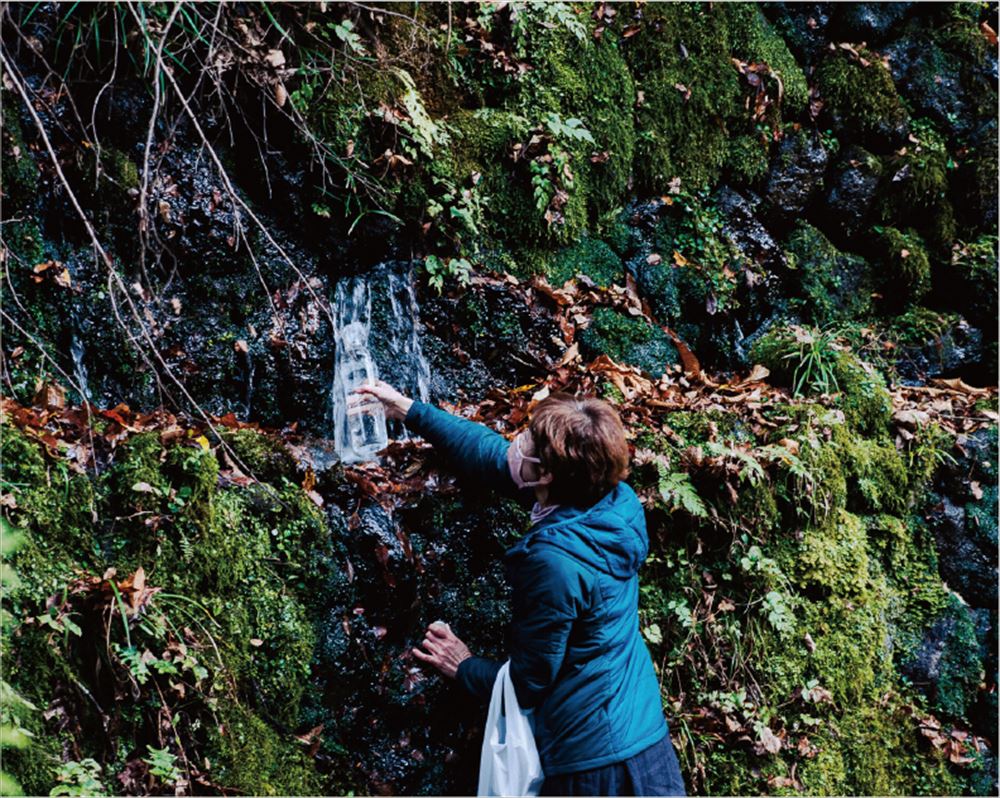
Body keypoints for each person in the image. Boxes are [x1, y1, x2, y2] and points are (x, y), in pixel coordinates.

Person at [355, 380, 687, 797]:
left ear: (545, 474)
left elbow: (531, 680)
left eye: (525, 440)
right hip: (645, 736)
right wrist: (408, 410)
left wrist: (465, 666)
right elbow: (492, 456)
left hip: (594, 766)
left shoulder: (555, 563)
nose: (515, 442)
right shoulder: (612, 499)